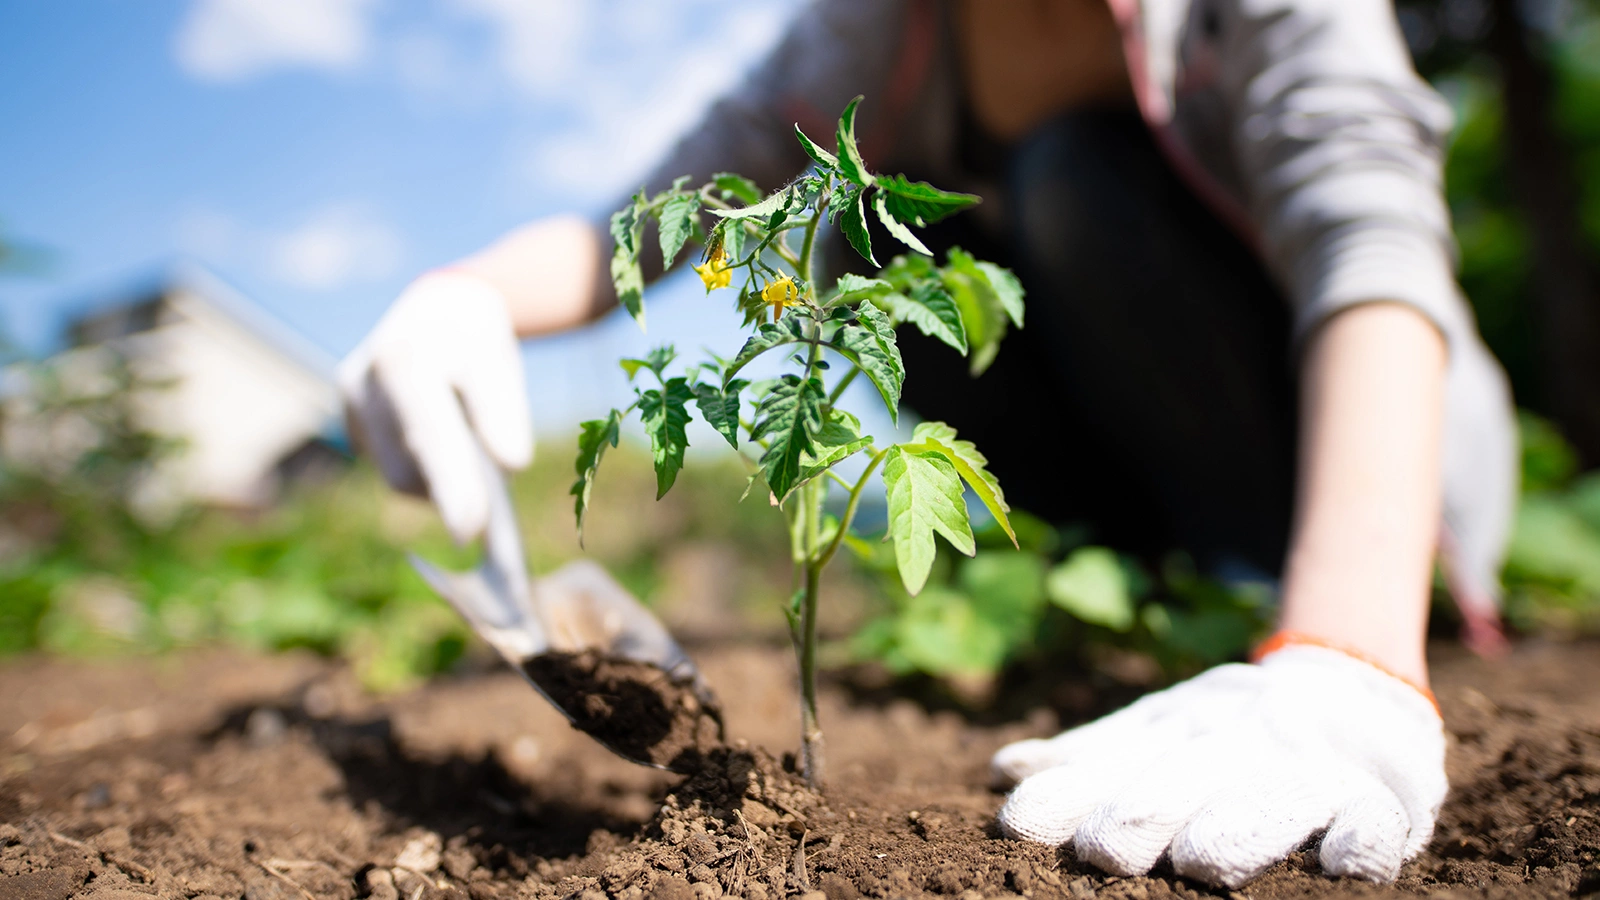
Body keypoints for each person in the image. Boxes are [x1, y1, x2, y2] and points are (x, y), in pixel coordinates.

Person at [337, 0, 1517, 888]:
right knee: (863, 239)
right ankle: (1123, 581)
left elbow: (1374, 238)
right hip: (1121, 440)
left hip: (1351, 457)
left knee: (1070, 176)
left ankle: (1263, 594)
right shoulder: (872, 30)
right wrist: (464, 294)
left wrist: (1346, 649)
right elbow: (648, 221)